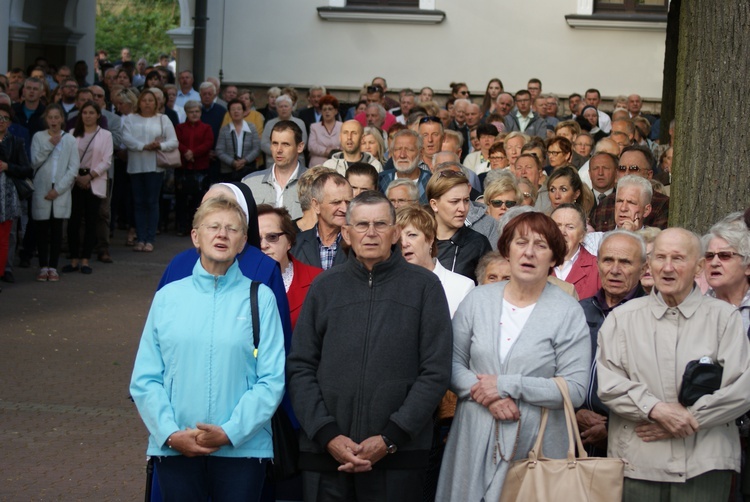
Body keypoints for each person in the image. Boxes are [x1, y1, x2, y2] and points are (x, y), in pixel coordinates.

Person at [287, 190, 453, 502]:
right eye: (362, 225)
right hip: (326, 458)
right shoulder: (324, 287)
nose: (371, 233)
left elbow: (435, 371)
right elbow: (300, 366)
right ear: (346, 234)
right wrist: (328, 435)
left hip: (398, 459)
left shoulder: (425, 288)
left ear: (395, 234)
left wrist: (391, 437)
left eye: (380, 224)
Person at [130, 196, 285, 502]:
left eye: (231, 229)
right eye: (213, 226)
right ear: (195, 236)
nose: (222, 234)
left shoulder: (261, 298)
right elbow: (146, 378)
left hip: (243, 451)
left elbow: (271, 380)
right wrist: (171, 434)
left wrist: (230, 432)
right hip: (176, 448)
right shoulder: (168, 298)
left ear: (243, 242)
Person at [436, 211, 591, 502]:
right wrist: (490, 395)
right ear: (507, 249)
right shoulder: (477, 300)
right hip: (473, 436)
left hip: (536, 445)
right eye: (521, 242)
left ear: (554, 258)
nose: (529, 252)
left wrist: (508, 385)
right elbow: (451, 363)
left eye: (541, 245)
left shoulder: (567, 311)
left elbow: (576, 388)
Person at [597, 228, 750, 501]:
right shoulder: (621, 319)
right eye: (660, 258)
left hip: (704, 463)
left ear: (699, 266)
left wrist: (690, 419)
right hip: (637, 462)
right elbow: (609, 384)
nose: (667, 267)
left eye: (678, 258)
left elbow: (742, 387)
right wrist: (654, 408)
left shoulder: (724, 318)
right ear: (649, 265)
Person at [577, 231, 647, 457]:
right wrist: (574, 411)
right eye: (608, 260)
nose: (615, 270)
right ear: (598, 264)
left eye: (625, 262)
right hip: (574, 435)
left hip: (629, 441)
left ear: (643, 268)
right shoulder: (579, 311)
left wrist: (612, 426)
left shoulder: (651, 316)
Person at [122, 89, 178, 252]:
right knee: (138, 203)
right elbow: (126, 138)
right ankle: (140, 238)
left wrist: (159, 145)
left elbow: (173, 142)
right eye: (144, 100)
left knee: (152, 203)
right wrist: (142, 146)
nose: (147, 103)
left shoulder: (163, 119)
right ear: (139, 102)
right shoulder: (131, 119)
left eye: (150, 100)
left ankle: (150, 238)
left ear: (157, 103)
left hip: (155, 166)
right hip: (136, 166)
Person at [397, 205, 474, 317]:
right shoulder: (386, 285)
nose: (404, 243)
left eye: (412, 235)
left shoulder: (462, 288)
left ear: (430, 239)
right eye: (398, 238)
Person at [63, 101, 113, 275]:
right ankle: (74, 259)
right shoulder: (71, 134)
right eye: (85, 113)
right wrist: (77, 177)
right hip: (75, 180)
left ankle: (85, 260)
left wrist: (89, 176)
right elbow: (66, 158)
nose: (88, 116)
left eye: (92, 113)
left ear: (98, 115)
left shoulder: (105, 135)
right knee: (73, 222)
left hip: (94, 180)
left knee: (92, 221)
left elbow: (106, 160)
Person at [31, 104, 79, 281]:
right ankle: (43, 266)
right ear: (46, 119)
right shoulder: (39, 137)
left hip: (60, 190)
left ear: (62, 119)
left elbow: (73, 168)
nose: (53, 121)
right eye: (50, 117)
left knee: (57, 229)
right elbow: (34, 162)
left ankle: (53, 266)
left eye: (56, 117)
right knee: (42, 229)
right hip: (42, 188)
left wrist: (58, 190)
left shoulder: (70, 140)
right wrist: (48, 146)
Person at [427, 169, 492, 283]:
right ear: (434, 204)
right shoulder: (418, 240)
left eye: (466, 200)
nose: (462, 208)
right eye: (454, 201)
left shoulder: (478, 244)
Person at [243, 120, 307, 219]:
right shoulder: (250, 183)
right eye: (275, 143)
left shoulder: (315, 182)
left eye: (286, 144)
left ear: (300, 147)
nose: (279, 150)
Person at [289, 171, 351, 270]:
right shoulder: (295, 244)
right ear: (316, 205)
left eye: (348, 202)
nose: (344, 208)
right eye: (336, 202)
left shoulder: (359, 242)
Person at [0, 103, 32, 285]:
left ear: (10, 122)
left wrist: (7, 166)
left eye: (5, 118)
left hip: (8, 195)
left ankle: (5, 269)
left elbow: (27, 169)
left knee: (8, 236)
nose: (1, 122)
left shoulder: (16, 141)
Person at [175, 100, 214, 235]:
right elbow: (177, 142)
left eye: (197, 111)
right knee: (181, 199)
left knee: (198, 200)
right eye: (191, 112)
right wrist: (186, 152)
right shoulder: (180, 128)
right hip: (183, 168)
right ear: (186, 113)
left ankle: (196, 227)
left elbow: (208, 143)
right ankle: (181, 227)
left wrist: (193, 153)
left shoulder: (206, 128)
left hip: (200, 167)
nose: (194, 114)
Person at [550, 203, 600, 299]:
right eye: (557, 226)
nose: (562, 232)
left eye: (570, 227)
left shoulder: (597, 268)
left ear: (582, 235)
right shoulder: (537, 265)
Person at [215, 98, 260, 182]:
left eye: (239, 109)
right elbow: (219, 150)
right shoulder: (224, 129)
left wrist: (244, 161)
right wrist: (233, 162)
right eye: (233, 109)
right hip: (228, 171)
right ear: (229, 113)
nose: (236, 111)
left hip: (248, 169)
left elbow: (256, 148)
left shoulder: (252, 127)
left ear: (244, 112)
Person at [261, 95, 307, 169]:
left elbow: (303, 142)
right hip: (273, 161)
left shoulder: (300, 123)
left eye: (286, 106)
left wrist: (287, 153)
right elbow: (264, 144)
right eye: (281, 106)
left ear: (291, 108)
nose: (283, 109)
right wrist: (277, 152)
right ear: (276, 108)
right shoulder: (270, 123)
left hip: (296, 161)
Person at [307, 94, 342, 166]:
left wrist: (335, 151)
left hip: (338, 162)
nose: (327, 111)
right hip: (318, 164)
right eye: (324, 109)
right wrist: (326, 151)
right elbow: (312, 146)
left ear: (335, 111)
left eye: (330, 109)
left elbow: (345, 144)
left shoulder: (342, 126)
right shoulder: (314, 127)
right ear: (321, 112)